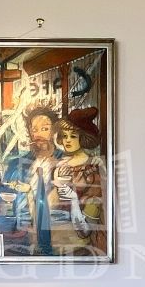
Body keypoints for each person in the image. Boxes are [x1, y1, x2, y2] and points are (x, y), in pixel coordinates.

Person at [2, 103, 62, 255]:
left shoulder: (65, 162)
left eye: (45, 129)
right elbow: (4, 201)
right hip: (20, 237)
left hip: (57, 238)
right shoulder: (15, 165)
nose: (38, 134)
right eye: (34, 130)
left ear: (55, 132)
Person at [51, 107, 107, 256]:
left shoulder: (93, 169)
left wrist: (73, 199)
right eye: (64, 136)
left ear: (83, 138)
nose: (68, 140)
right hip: (56, 242)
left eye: (73, 136)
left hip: (80, 248)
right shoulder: (60, 166)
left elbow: (86, 231)